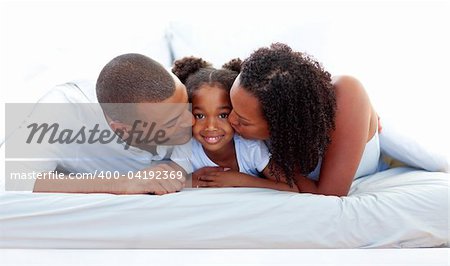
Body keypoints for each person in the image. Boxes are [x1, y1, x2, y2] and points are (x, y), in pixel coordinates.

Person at [197, 43, 381, 196]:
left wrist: (260, 173)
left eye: (243, 121)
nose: (230, 119)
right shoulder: (253, 88)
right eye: (231, 107)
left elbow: (328, 196)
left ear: (281, 126)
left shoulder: (347, 96)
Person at [6, 53, 193, 195]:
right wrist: (126, 183)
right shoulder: (62, 110)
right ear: (122, 129)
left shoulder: (184, 92)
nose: (191, 120)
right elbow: (11, 177)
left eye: (187, 106)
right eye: (172, 122)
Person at [170, 56, 298, 192]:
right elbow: (166, 178)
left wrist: (239, 180)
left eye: (223, 115)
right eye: (200, 116)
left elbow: (291, 188)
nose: (211, 126)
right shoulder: (187, 148)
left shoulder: (250, 147)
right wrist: (193, 180)